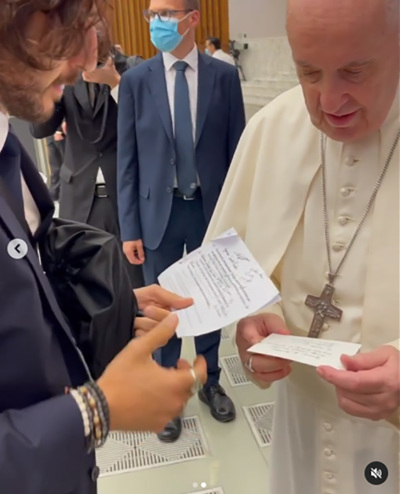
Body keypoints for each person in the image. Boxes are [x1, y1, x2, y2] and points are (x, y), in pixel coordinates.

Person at [0, 2, 207, 493]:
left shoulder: (9, 151)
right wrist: (93, 411)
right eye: (63, 21)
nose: (83, 56)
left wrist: (114, 308)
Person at [205, 0, 400, 493]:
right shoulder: (274, 127)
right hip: (302, 427)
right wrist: (252, 323)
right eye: (308, 72)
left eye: (354, 71)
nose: (330, 100)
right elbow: (232, 266)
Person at [117, 0, 245, 443]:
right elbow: (127, 160)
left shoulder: (224, 77)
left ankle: (210, 380)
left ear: (192, 18)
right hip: (158, 213)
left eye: (166, 13)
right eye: (152, 14)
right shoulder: (136, 82)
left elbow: (237, 154)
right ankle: (168, 389)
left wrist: (238, 218)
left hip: (209, 211)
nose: (156, 22)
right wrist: (129, 226)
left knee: (211, 301)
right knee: (163, 307)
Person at [31, 46, 144, 288]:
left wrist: (115, 83)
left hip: (125, 197)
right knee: (83, 283)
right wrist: (46, 82)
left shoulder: (134, 68)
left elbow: (148, 122)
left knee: (134, 281)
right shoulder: (66, 74)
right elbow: (40, 129)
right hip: (79, 194)